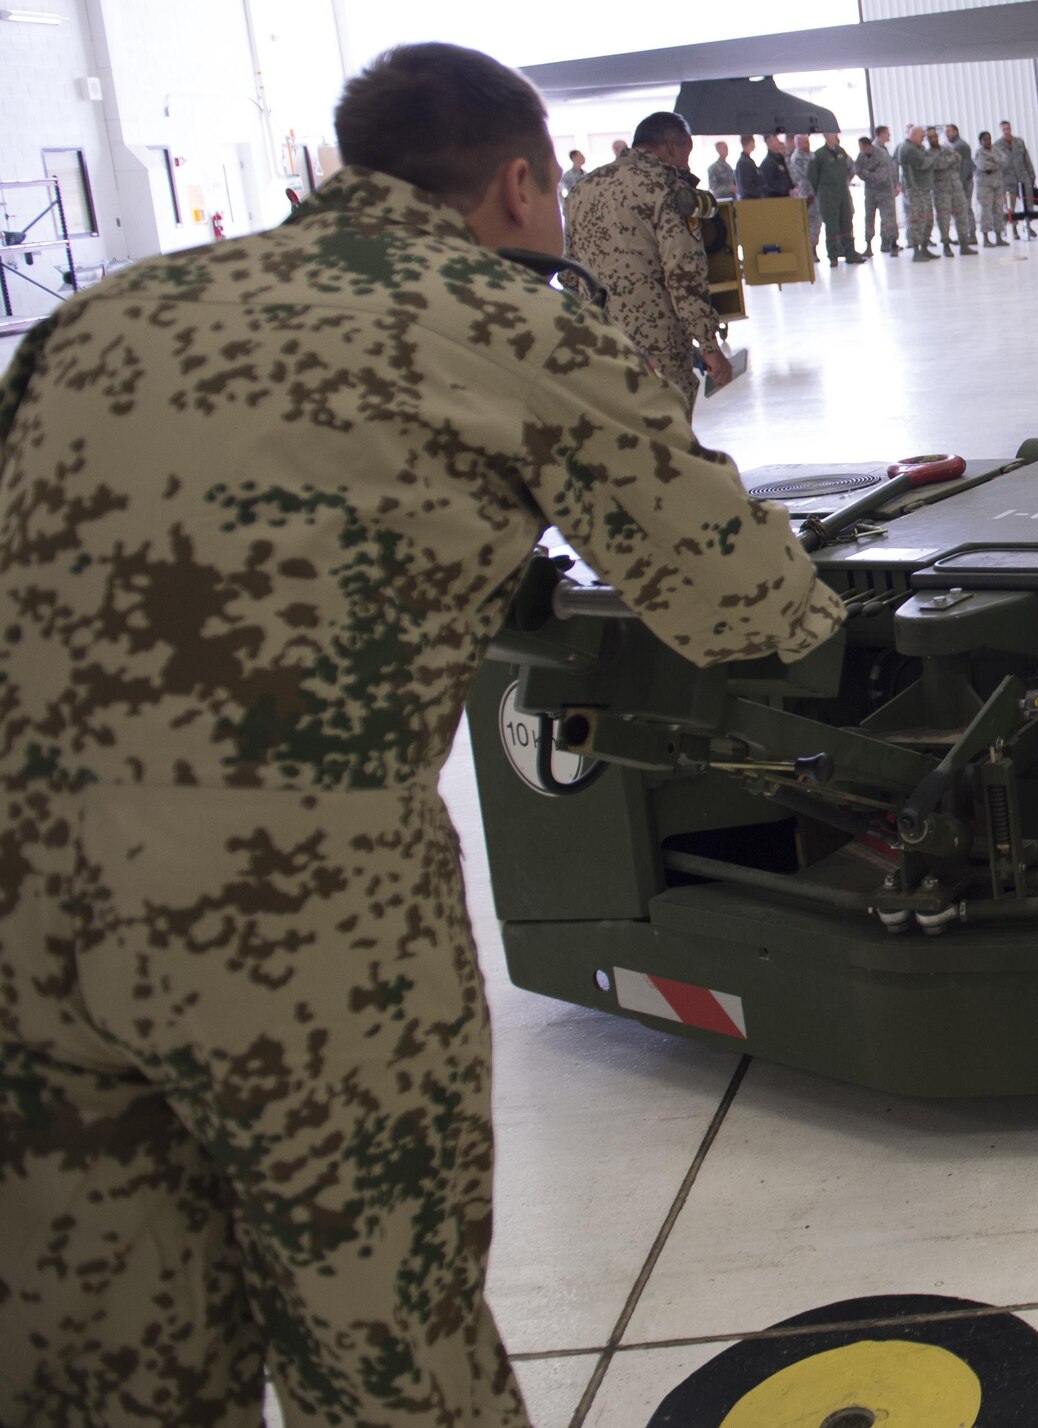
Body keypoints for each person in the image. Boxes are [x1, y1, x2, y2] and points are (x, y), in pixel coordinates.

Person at [0, 42, 843, 1428]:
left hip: (25, 910)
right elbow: (739, 601)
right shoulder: (502, 321)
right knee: (381, 1340)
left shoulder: (101, 321)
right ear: (519, 184)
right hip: (284, 917)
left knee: (101, 1359)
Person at [565, 110, 735, 405]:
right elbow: (683, 274)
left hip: (599, 341)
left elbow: (569, 272)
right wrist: (708, 345)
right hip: (658, 344)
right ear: (671, 146)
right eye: (686, 153)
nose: (686, 163)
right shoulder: (667, 188)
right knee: (667, 436)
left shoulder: (583, 188)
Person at [806, 130, 862, 263]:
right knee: (832, 225)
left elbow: (849, 169)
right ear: (826, 136)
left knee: (846, 222)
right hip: (828, 195)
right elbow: (812, 176)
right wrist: (820, 191)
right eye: (832, 134)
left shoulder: (841, 152)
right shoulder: (819, 155)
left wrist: (845, 181)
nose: (835, 136)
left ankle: (850, 253)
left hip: (842, 192)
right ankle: (833, 256)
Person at [929, 125, 977, 256]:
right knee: (944, 219)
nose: (934, 138)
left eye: (935, 136)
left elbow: (958, 160)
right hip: (941, 190)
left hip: (956, 186)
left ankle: (964, 244)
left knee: (962, 215)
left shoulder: (946, 148)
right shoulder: (928, 154)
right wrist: (952, 159)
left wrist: (951, 160)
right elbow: (938, 164)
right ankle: (946, 245)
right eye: (930, 136)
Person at [855, 134, 900, 256]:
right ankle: (868, 246)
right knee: (869, 218)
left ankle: (893, 244)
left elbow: (882, 176)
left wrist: (867, 173)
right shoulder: (861, 156)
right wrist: (870, 172)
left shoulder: (882, 155)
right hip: (870, 192)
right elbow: (857, 170)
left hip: (884, 191)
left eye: (862, 147)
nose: (861, 150)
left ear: (868, 145)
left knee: (888, 218)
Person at [897, 123, 938, 259]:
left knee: (927, 220)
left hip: (923, 189)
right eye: (921, 136)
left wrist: (929, 158)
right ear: (913, 135)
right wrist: (931, 158)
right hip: (915, 190)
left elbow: (926, 158)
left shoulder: (917, 147)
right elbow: (922, 163)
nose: (923, 139)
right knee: (917, 221)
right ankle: (916, 251)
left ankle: (924, 248)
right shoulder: (908, 149)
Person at [997, 119, 1037, 239]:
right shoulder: (997, 146)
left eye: (1008, 129)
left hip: (1023, 176)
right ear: (1000, 131)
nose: (1006, 131)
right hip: (1007, 179)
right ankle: (1013, 229)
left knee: (1028, 203)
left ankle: (1027, 225)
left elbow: (1026, 159)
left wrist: (1032, 175)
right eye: (1003, 129)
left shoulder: (1019, 142)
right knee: (1009, 206)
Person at [973, 130, 1010, 246]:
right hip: (985, 187)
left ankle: (999, 237)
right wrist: (995, 162)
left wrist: (993, 161)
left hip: (998, 185)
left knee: (998, 211)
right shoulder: (979, 153)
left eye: (989, 139)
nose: (987, 141)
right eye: (985, 139)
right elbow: (983, 166)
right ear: (980, 141)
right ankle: (985, 238)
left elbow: (1005, 161)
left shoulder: (995, 150)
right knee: (986, 212)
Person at [788, 133, 822, 257]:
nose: (808, 145)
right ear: (798, 144)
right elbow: (807, 173)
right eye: (805, 142)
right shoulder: (797, 157)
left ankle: (813, 247)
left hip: (816, 193)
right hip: (806, 195)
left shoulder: (812, 155)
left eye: (808, 142)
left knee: (816, 222)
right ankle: (808, 250)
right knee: (807, 223)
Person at [759, 132, 794, 197]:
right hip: (776, 199)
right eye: (776, 140)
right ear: (769, 142)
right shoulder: (767, 163)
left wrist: (792, 187)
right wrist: (786, 190)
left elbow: (787, 176)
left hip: (787, 197)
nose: (778, 142)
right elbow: (770, 183)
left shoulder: (780, 159)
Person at [736, 132, 765, 197]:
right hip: (749, 200)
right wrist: (762, 192)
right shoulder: (744, 163)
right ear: (750, 142)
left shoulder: (747, 160)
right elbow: (746, 186)